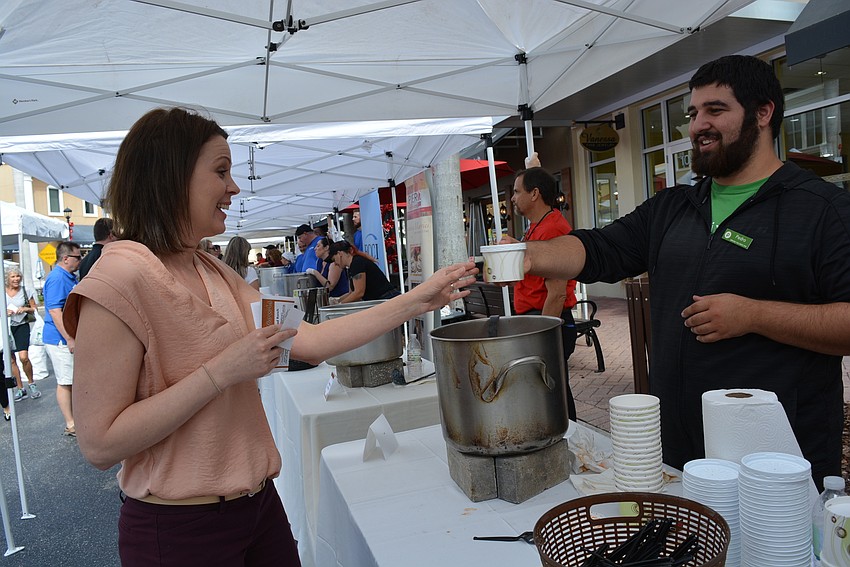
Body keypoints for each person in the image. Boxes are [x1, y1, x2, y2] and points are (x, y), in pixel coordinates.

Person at [62, 107, 476, 567]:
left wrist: (419, 299)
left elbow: (310, 341)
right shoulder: (116, 281)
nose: (234, 188)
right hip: (179, 531)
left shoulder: (211, 268)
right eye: (221, 171)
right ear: (171, 175)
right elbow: (99, 444)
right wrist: (221, 372)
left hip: (258, 508)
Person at [518, 55, 850, 489]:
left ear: (764, 112)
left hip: (778, 459)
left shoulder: (823, 210)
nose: (697, 125)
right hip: (679, 450)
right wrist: (526, 256)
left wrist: (753, 315)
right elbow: (598, 248)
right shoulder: (672, 208)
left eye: (716, 109)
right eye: (693, 113)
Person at [510, 167, 578, 421]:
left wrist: (542, 333)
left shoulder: (552, 229)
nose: (513, 198)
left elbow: (557, 293)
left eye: (517, 192)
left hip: (549, 321)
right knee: (548, 389)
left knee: (553, 391)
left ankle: (570, 443)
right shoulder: (536, 227)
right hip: (537, 318)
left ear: (535, 193)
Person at [43, 241, 81, 437]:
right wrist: (69, 338)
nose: (80, 260)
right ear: (66, 258)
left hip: (65, 337)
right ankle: (70, 423)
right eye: (77, 257)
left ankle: (75, 420)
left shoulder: (68, 276)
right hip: (59, 339)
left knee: (72, 379)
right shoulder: (58, 278)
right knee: (66, 381)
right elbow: (55, 311)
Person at [5, 267, 41, 400]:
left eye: (18, 276)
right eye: (13, 277)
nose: (16, 279)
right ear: (7, 278)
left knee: (23, 357)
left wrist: (25, 308)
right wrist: (5, 312)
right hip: (6, 327)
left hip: (21, 325)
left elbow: (34, 309)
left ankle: (31, 383)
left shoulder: (26, 290)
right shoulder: (2, 292)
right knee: (11, 359)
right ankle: (20, 388)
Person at [329, 240, 399, 303]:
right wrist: (338, 300)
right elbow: (351, 293)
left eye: (334, 259)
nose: (335, 263)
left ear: (339, 254)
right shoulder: (352, 266)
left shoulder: (357, 263)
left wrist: (340, 304)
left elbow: (359, 292)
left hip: (387, 299)